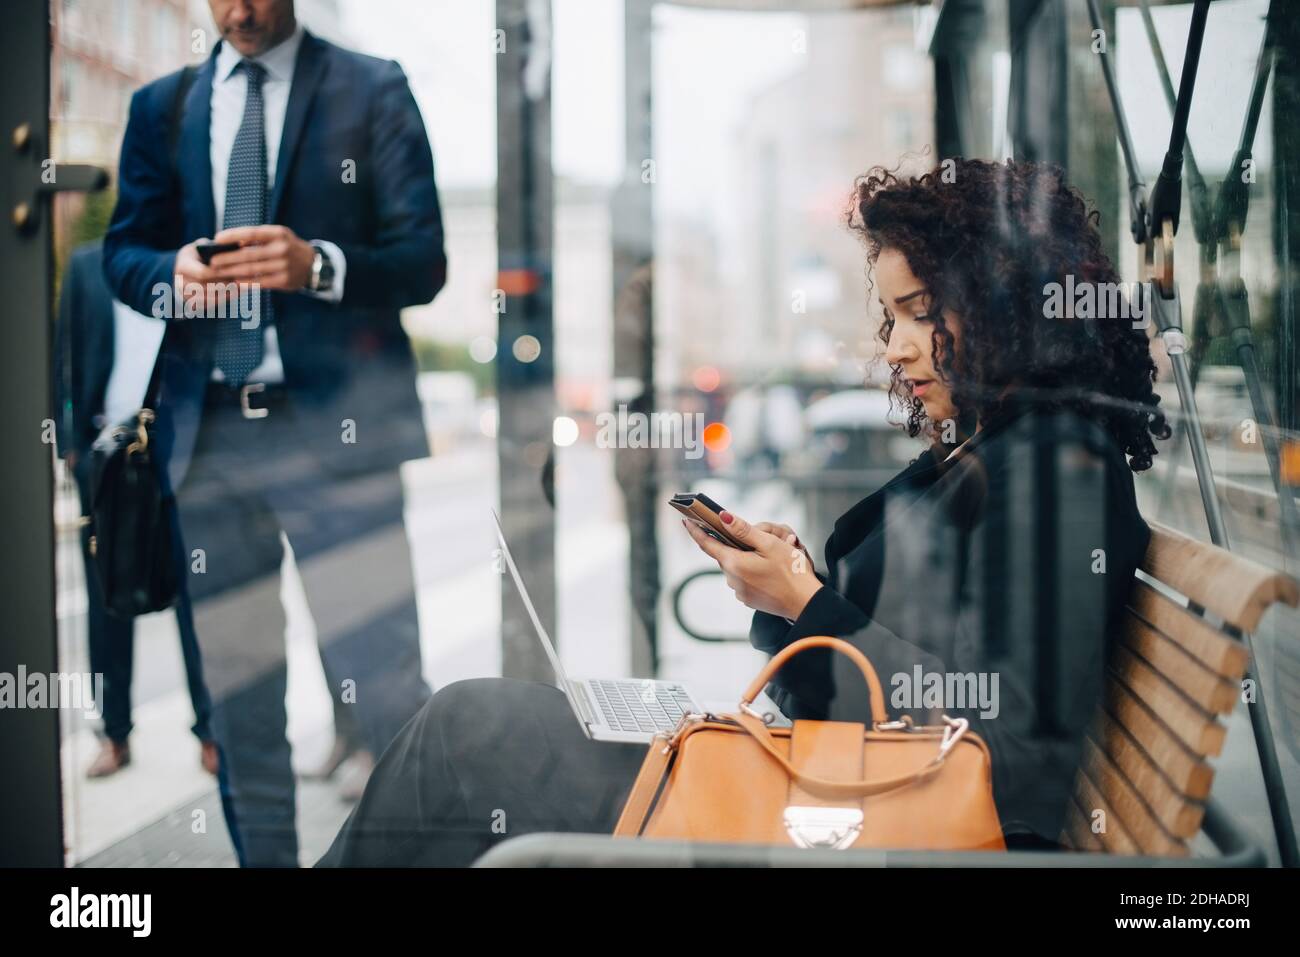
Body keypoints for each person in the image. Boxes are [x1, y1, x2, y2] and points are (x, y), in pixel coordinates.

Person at [317, 157, 1168, 866]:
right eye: (891, 315)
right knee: (483, 727)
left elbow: (1007, 747)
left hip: (860, 823)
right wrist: (793, 586)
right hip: (833, 787)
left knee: (468, 730)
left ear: (1002, 304)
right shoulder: (996, 446)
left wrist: (804, 602)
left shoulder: (1058, 469)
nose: (897, 346)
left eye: (921, 312)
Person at [103, 0, 446, 866]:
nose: (241, 11)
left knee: (388, 692)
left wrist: (316, 265)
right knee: (242, 704)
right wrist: (167, 275)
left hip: (340, 441)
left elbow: (425, 259)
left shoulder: (372, 88)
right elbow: (124, 251)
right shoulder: (160, 108)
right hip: (210, 442)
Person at [54, 240, 218, 780]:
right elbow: (65, 353)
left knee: (197, 596)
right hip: (108, 457)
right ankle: (114, 733)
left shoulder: (197, 254)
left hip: (183, 448)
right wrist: (72, 447)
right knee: (107, 595)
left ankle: (212, 733)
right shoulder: (86, 265)